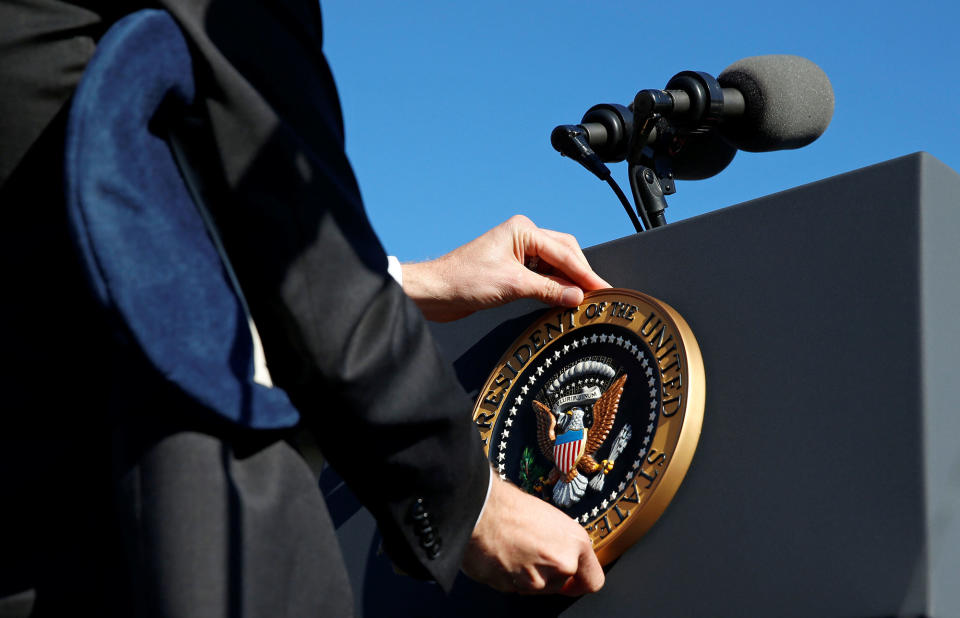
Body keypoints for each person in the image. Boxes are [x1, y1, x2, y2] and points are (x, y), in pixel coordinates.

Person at [0, 0, 609, 614]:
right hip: (138, 532)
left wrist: (413, 281)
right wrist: (472, 501)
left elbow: (117, 212)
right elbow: (285, 219)